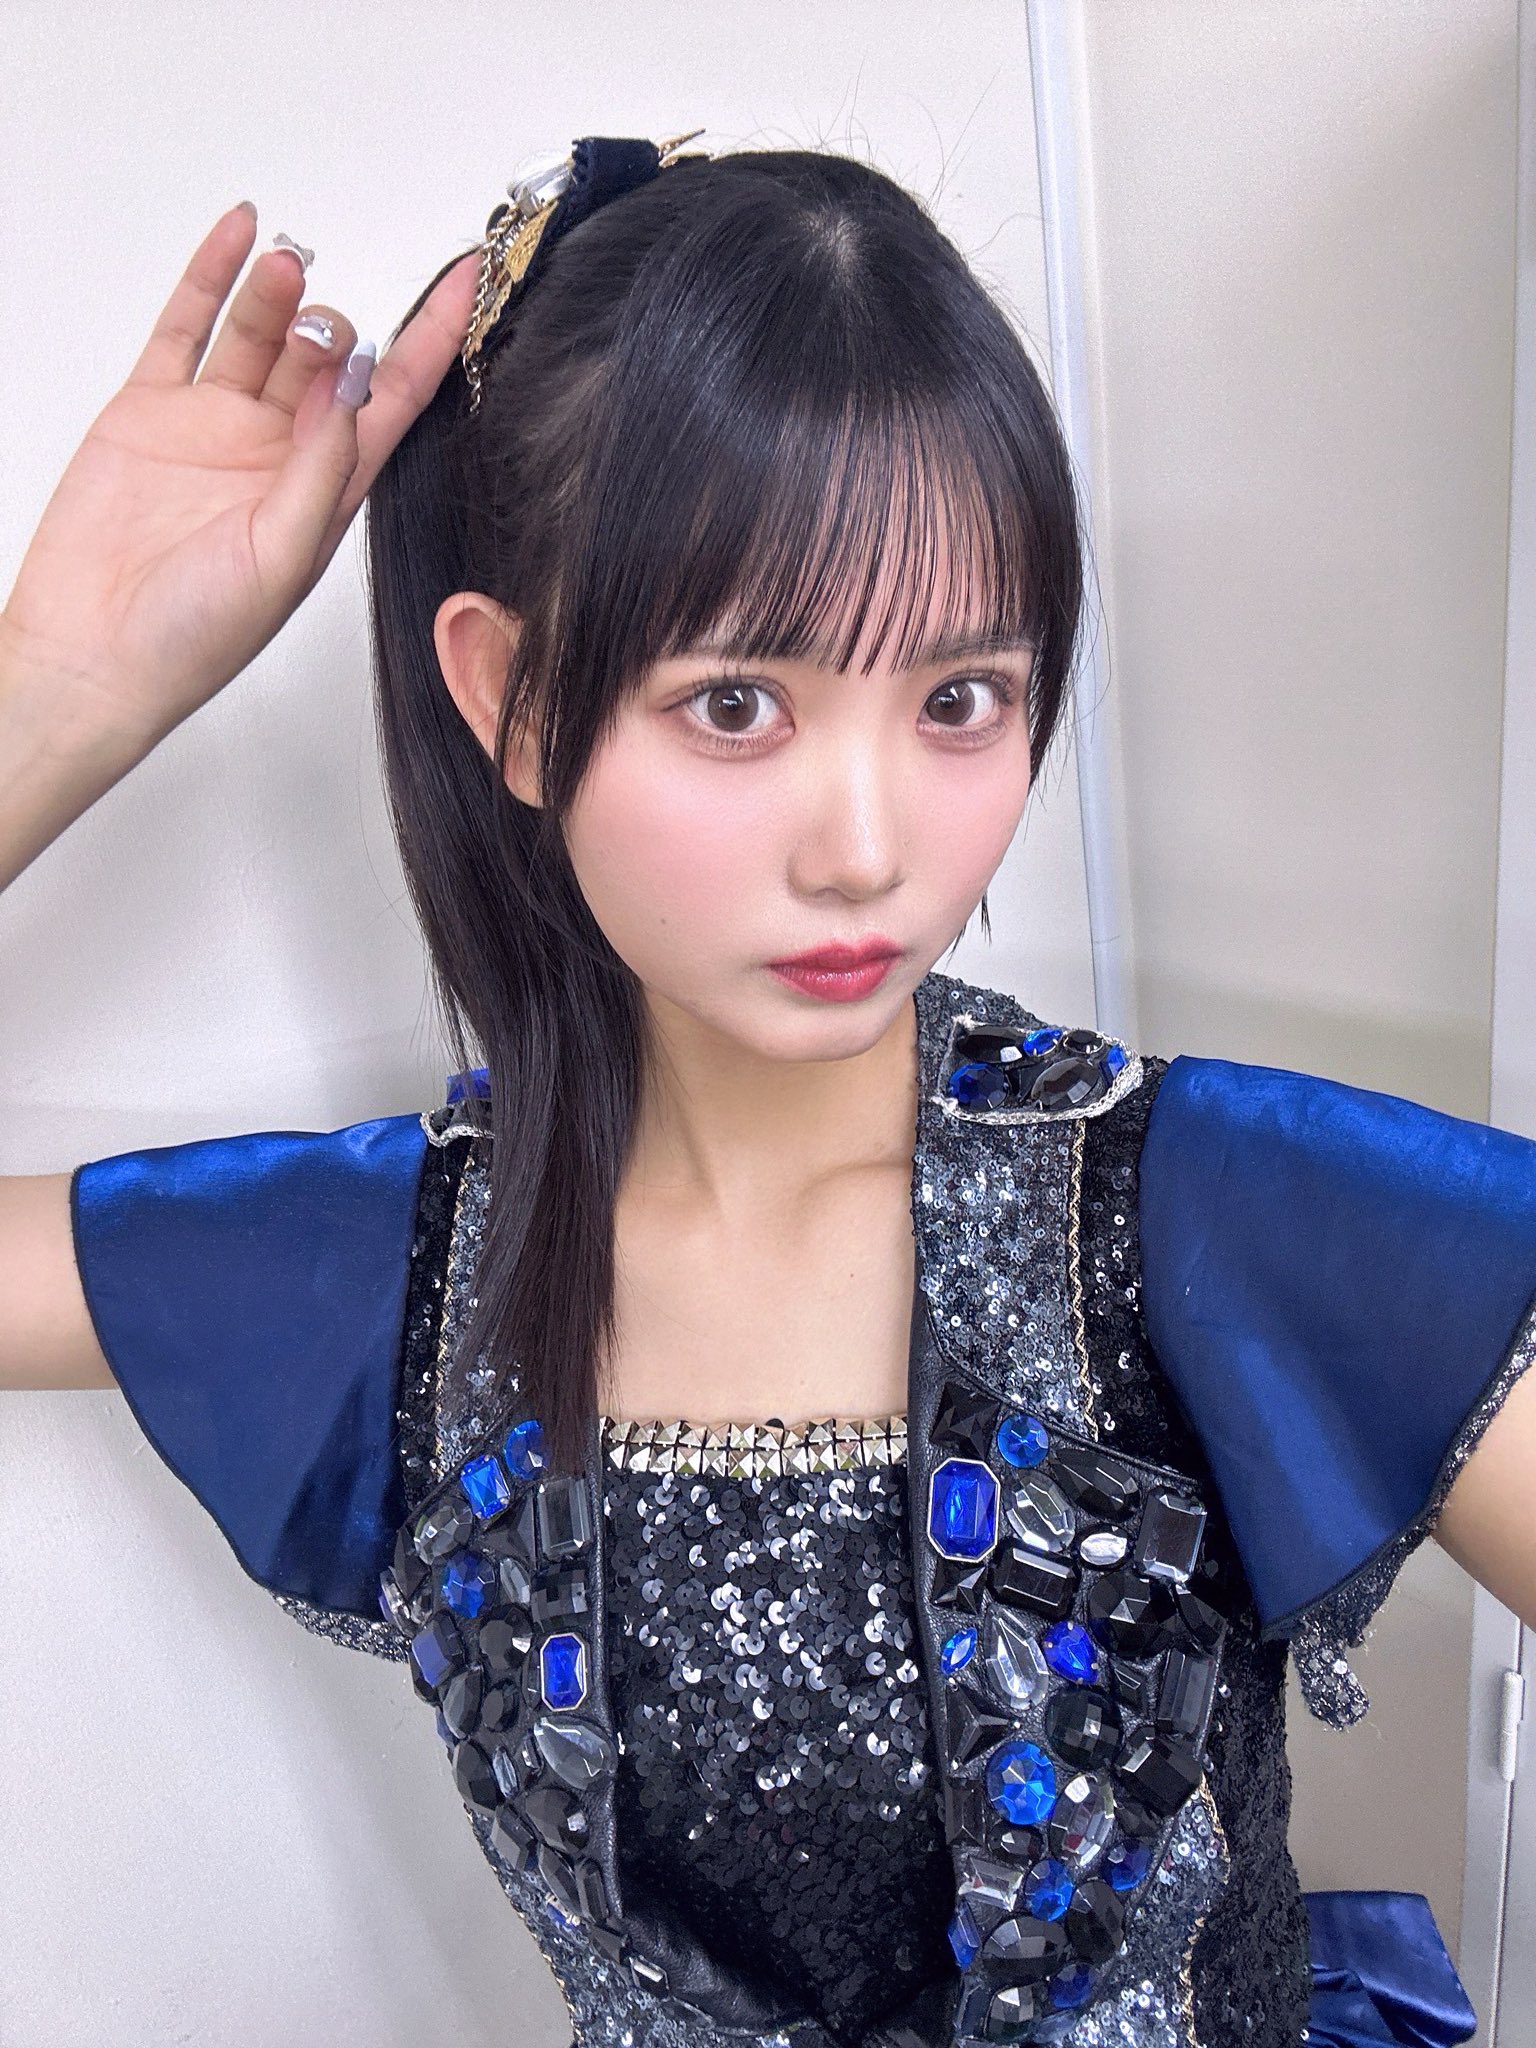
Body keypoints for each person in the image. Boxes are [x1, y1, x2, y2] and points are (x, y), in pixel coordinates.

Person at [2, 132, 1532, 2048]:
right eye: (738, 705)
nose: (868, 848)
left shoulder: (1207, 1210)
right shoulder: (399, 1266)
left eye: (960, 699)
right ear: (509, 703)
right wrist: (57, 687)